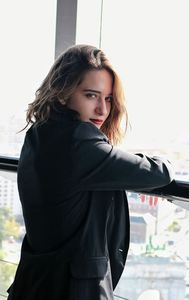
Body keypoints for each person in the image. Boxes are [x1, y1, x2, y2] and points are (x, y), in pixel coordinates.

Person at [7, 44, 174, 300]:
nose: (103, 110)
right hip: (72, 290)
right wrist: (165, 160)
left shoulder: (39, 133)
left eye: (108, 98)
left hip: (35, 282)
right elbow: (157, 173)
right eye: (91, 95)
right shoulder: (77, 140)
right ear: (62, 94)